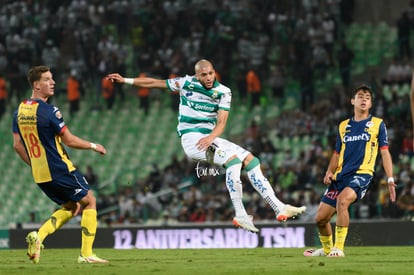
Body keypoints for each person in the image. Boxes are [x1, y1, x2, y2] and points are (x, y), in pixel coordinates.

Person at [107, 59, 306, 233]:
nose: (208, 77)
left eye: (210, 73)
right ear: (197, 75)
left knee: (252, 161)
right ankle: (240, 214)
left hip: (210, 137)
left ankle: (278, 206)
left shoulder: (224, 92)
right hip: (192, 139)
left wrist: (211, 138)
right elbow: (154, 82)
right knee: (233, 162)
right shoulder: (186, 83)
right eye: (204, 75)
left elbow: (221, 124)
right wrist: (125, 80)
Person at [12, 66, 108, 264]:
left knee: (72, 207)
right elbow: (70, 140)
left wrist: (34, 164)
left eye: (52, 78)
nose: (53, 82)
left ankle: (39, 237)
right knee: (90, 201)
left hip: (40, 174)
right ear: (37, 85)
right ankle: (86, 254)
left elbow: (17, 145)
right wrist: (93, 145)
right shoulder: (49, 111)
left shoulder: (19, 110)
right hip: (59, 168)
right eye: (47, 79)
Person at [303, 84, 396, 258]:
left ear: (371, 104)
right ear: (352, 101)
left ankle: (338, 248)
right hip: (340, 177)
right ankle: (327, 249)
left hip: (362, 174)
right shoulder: (343, 126)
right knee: (320, 219)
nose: (364, 99)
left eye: (368, 97)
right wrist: (329, 171)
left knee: (343, 201)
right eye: (360, 96)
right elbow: (337, 153)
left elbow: (384, 152)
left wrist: (390, 178)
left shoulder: (378, 124)